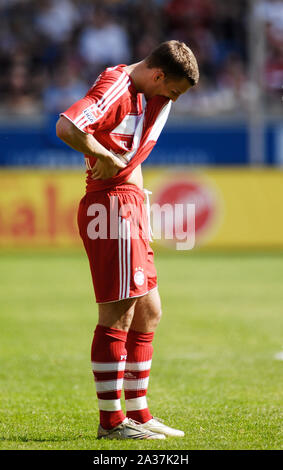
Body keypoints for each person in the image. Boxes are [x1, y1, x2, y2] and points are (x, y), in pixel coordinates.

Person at [56, 40, 199, 440]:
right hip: (111, 208)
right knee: (118, 315)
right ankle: (112, 423)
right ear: (157, 75)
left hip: (130, 205)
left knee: (149, 310)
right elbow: (67, 126)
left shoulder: (143, 94)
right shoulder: (116, 85)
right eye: (172, 91)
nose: (171, 99)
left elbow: (125, 148)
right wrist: (103, 156)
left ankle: (138, 413)